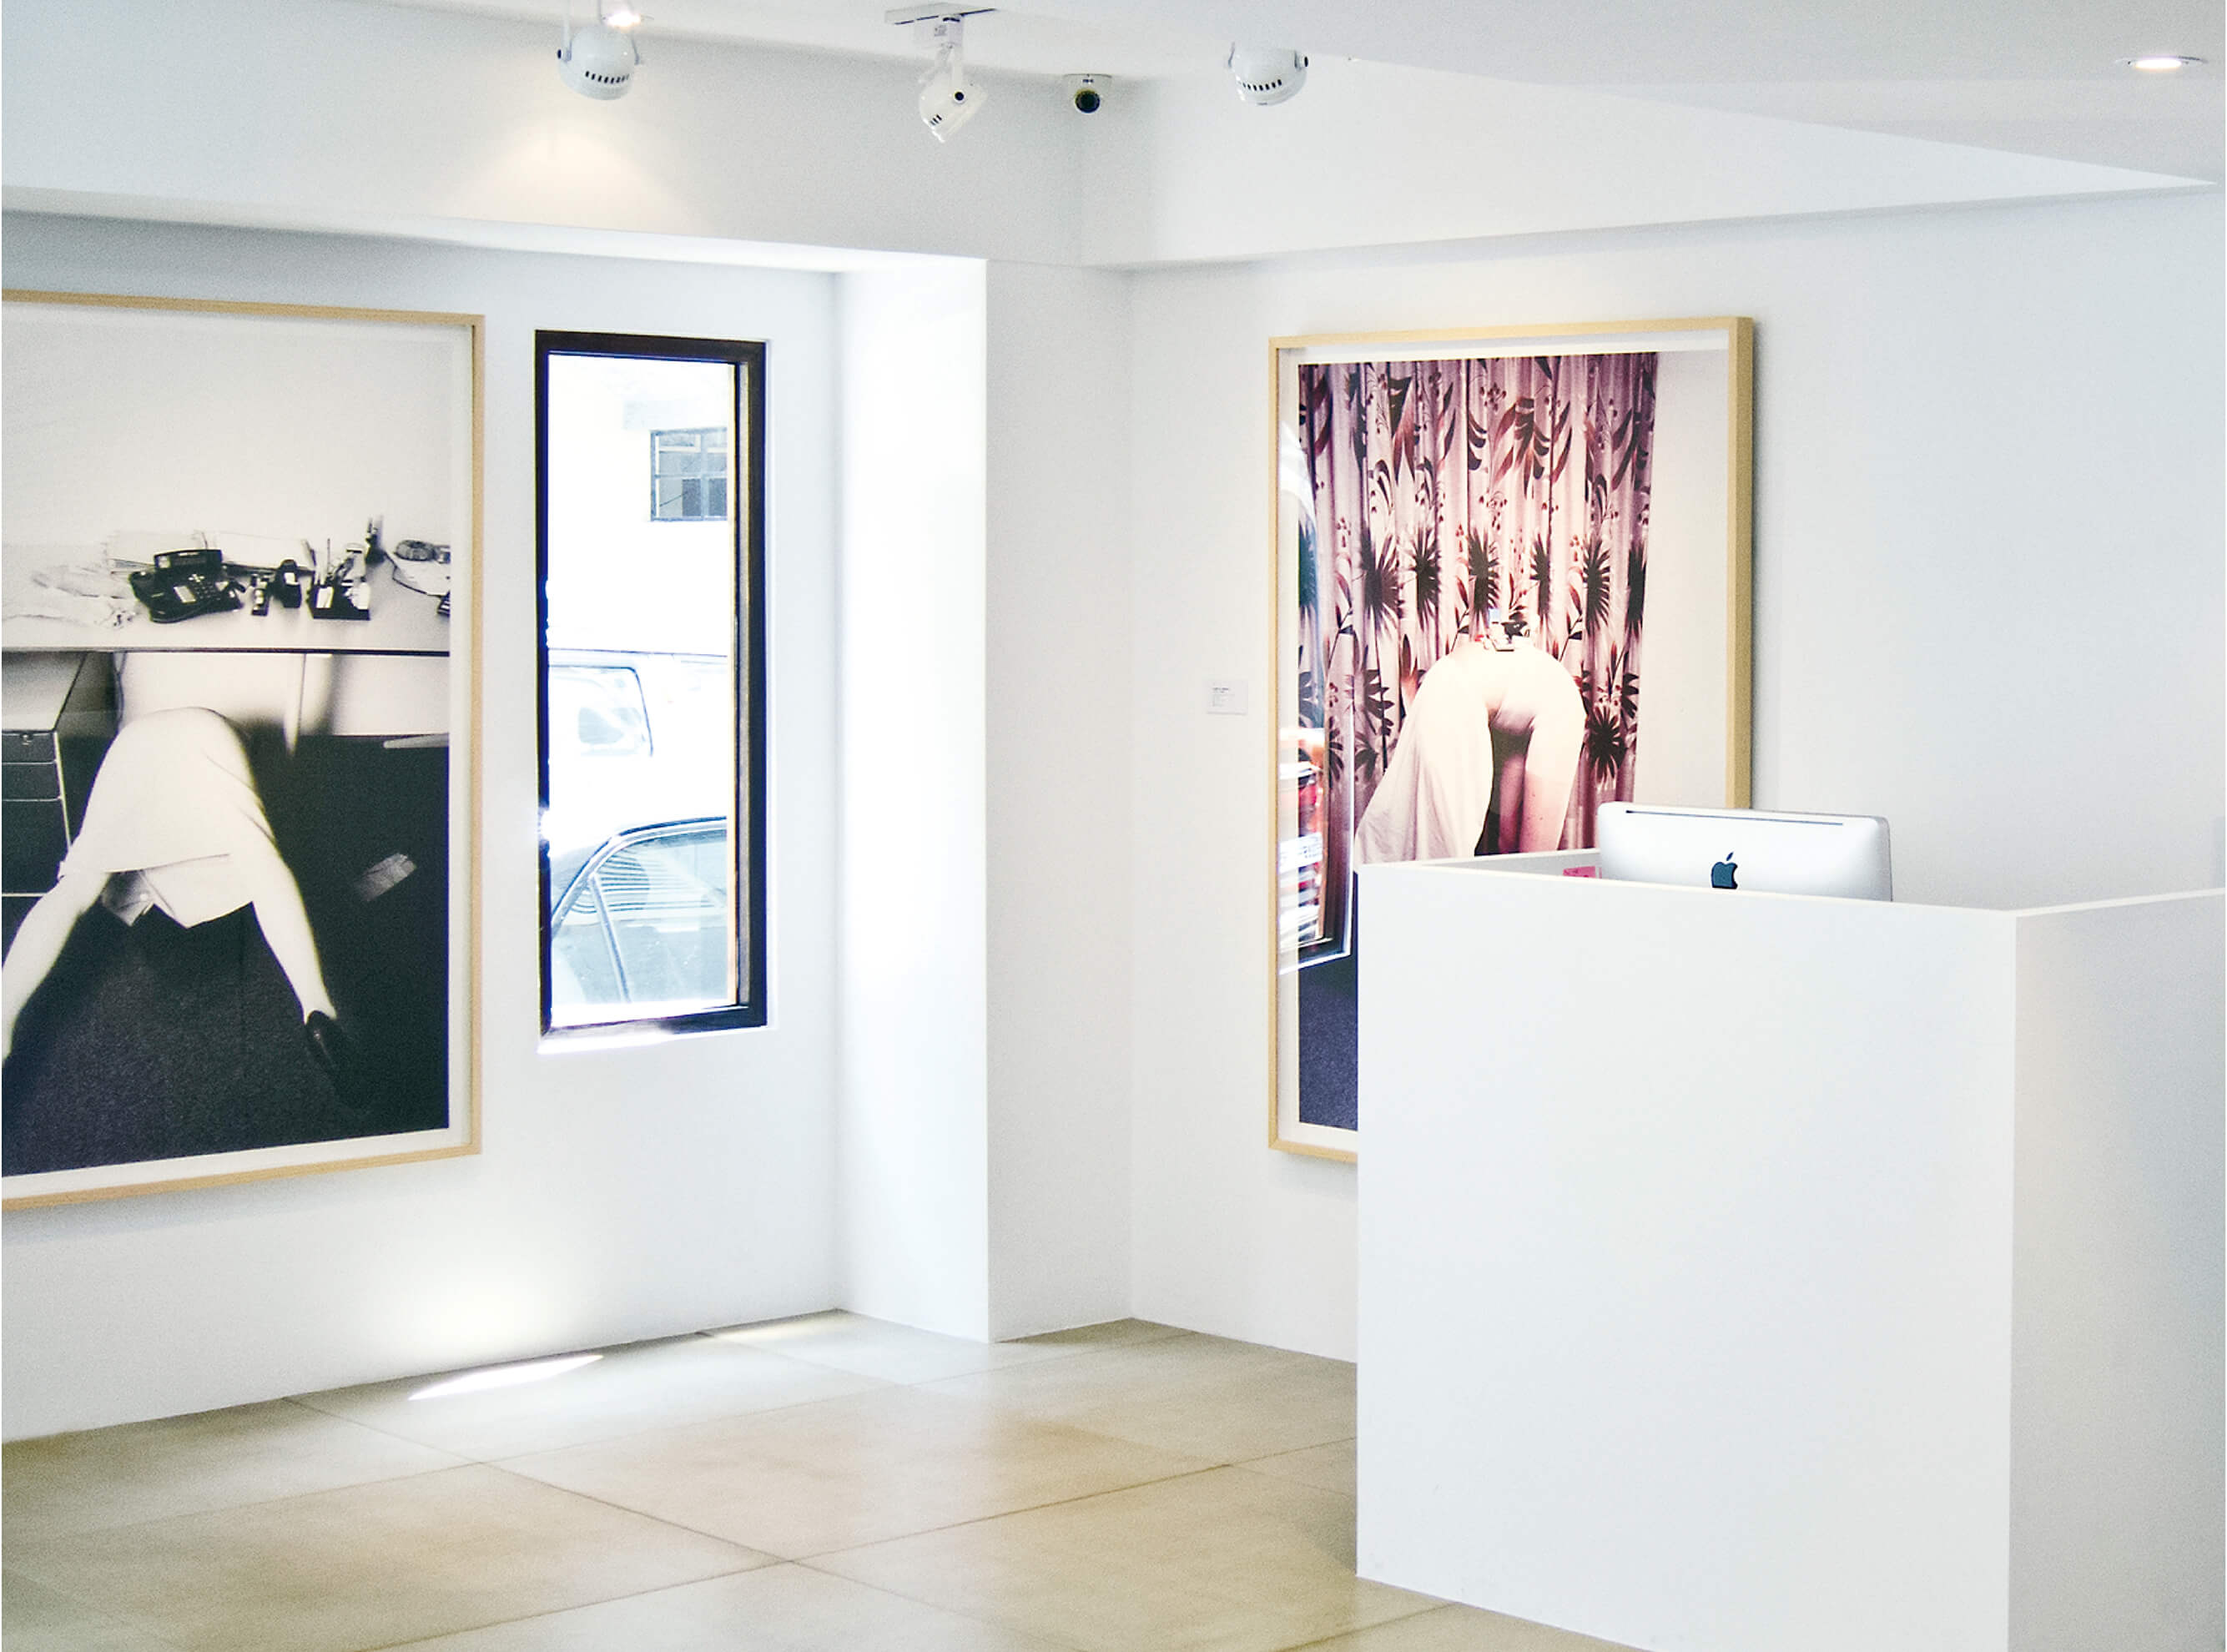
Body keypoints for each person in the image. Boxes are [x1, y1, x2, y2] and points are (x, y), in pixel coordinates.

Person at [0, 708, 357, 1090]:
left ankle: (3, 1012)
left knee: (75, 889)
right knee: (262, 866)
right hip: (210, 735)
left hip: (132, 743)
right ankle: (316, 1006)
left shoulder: (144, 882)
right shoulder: (247, 757)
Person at [1353, 636, 1584, 863]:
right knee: (1443, 857)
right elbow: (1537, 858)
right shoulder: (1568, 715)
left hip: (1441, 679)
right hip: (1458, 698)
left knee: (1405, 836)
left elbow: (1507, 841)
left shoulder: (1532, 704)